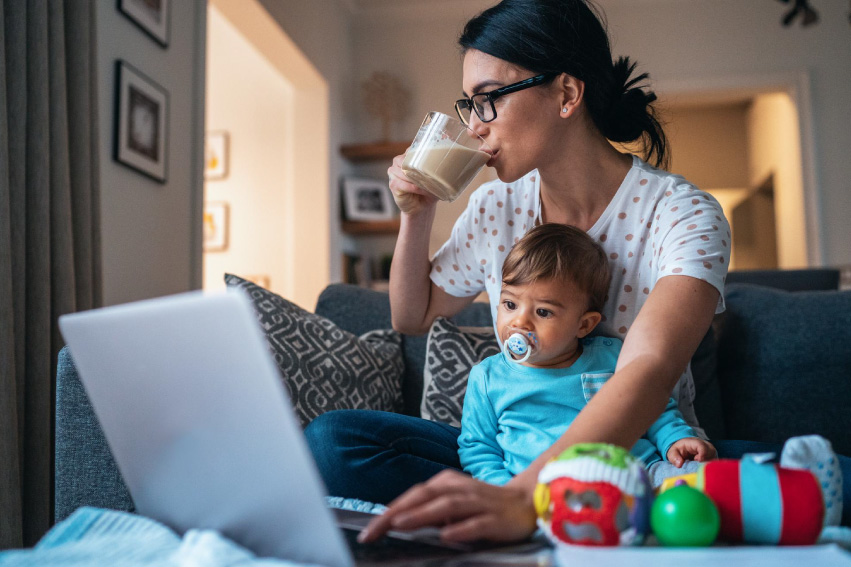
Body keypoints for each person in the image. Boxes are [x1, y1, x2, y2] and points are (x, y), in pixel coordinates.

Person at [304, 0, 849, 543]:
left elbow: (647, 369)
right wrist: (417, 215)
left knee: (836, 481)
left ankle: (580, 510)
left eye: (488, 100)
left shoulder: (682, 213)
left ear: (566, 93)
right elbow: (412, 315)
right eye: (468, 106)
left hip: (643, 458)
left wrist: (524, 497)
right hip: (515, 455)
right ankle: (567, 513)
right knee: (333, 442)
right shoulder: (496, 207)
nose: (473, 129)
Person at [458, 223, 716, 488]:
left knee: (703, 482)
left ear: (584, 325)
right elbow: (478, 449)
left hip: (637, 476)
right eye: (510, 304)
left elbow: (653, 410)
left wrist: (676, 440)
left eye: (543, 312)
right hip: (542, 493)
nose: (519, 322)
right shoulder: (487, 378)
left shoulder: (613, 357)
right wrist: (504, 492)